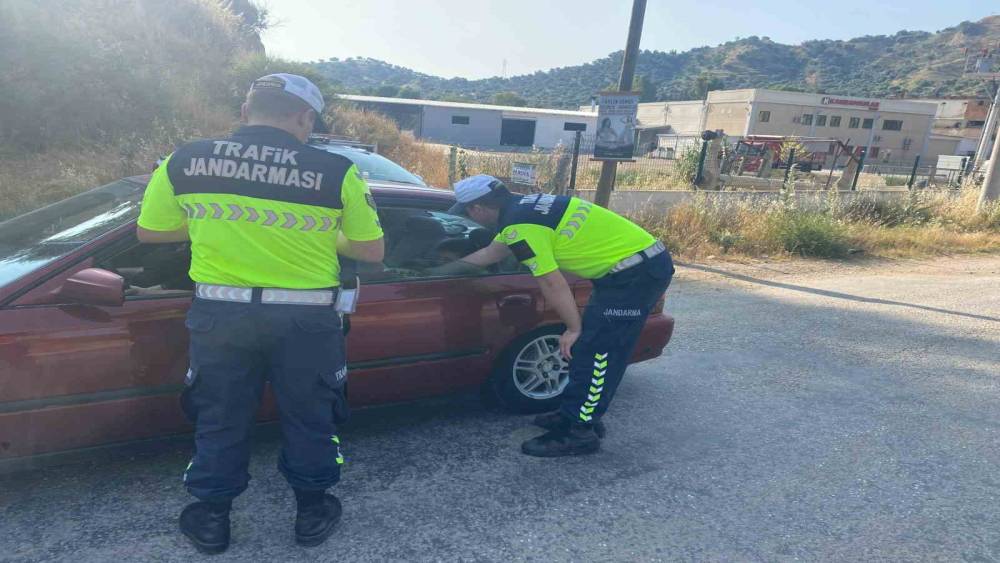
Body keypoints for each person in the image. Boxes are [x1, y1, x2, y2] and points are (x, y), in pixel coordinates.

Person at [136, 73, 385, 553]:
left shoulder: (184, 160)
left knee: (220, 416)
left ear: (247, 109)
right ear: (305, 117)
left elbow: (150, 231)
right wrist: (319, 234)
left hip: (221, 317)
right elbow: (371, 250)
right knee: (311, 416)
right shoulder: (336, 170)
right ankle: (311, 511)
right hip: (306, 322)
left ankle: (213, 518)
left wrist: (213, 225)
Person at [441, 175, 673, 457]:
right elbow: (491, 253)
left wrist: (573, 329)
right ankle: (574, 413)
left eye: (468, 212)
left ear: (477, 208)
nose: (470, 217)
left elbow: (552, 283)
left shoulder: (520, 226)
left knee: (598, 352)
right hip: (631, 268)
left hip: (635, 275)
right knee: (591, 348)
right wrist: (441, 271)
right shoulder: (524, 208)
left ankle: (579, 431)